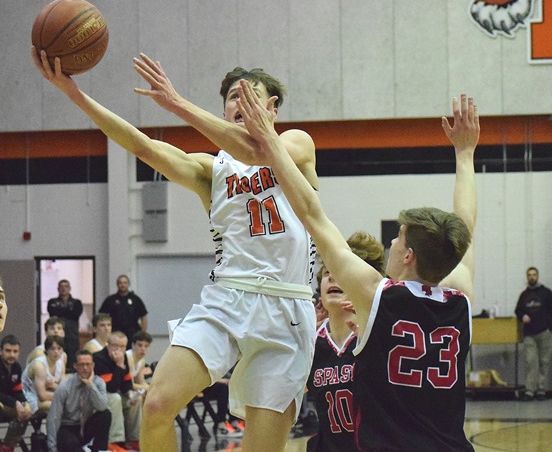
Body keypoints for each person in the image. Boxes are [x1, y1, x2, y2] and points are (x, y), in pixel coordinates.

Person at [32, 49, 319, 452]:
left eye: (249, 95)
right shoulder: (212, 170)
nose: (240, 103)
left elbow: (258, 152)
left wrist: (177, 103)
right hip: (227, 300)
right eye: (233, 98)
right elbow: (143, 146)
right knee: (157, 404)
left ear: (272, 106)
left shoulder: (297, 144)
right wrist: (75, 94)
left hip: (286, 309)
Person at [238, 82, 479, 452]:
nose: (392, 244)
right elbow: (465, 226)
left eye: (398, 239)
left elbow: (313, 216)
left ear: (409, 254)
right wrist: (465, 154)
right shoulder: (459, 296)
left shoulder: (377, 294)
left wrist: (270, 142)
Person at [306, 232, 385, 452]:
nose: (331, 277)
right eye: (327, 272)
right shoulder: (312, 341)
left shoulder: (377, 334)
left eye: (340, 272)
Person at [47, 349, 111, 452]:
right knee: (68, 441)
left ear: (93, 365)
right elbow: (53, 418)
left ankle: (100, 450)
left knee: (105, 415)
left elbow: (102, 406)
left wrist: (90, 385)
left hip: (86, 427)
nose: (85, 368)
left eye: (88, 364)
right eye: (81, 365)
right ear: (75, 366)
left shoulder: (98, 383)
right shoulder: (64, 387)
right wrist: (52, 448)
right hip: (68, 427)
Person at [93, 331, 141, 452]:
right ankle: (114, 441)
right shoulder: (99, 358)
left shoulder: (123, 357)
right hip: (98, 398)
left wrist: (131, 394)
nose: (118, 349)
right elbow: (110, 388)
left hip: (114, 394)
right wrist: (119, 365)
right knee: (115, 398)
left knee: (137, 400)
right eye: (115, 345)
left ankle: (134, 440)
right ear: (108, 344)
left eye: (122, 346)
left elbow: (127, 381)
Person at [514, 266, 552, 401]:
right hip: (529, 333)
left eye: (534, 275)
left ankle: (541, 389)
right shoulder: (524, 295)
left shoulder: (547, 293)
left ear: (537, 276)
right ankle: (530, 390)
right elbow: (518, 310)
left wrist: (549, 327)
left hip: (545, 332)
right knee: (530, 362)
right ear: (527, 277)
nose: (532, 277)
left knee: (545, 362)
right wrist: (522, 316)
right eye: (529, 275)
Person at [0, 335, 33, 452]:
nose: (12, 355)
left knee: (26, 413)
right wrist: (16, 404)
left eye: (15, 351)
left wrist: (25, 403)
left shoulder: (17, 368)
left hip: (8, 404)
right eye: (8, 351)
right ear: (1, 351)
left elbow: (18, 390)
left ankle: (7, 446)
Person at [22, 335, 66, 416]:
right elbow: (42, 396)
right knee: (55, 406)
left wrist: (55, 387)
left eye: (59, 348)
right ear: (46, 350)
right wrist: (61, 394)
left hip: (46, 394)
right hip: (28, 395)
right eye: (52, 349)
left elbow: (63, 388)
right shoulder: (40, 365)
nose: (56, 352)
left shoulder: (61, 363)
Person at [99, 276, 148, 345]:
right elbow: (101, 317)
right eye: (120, 283)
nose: (123, 285)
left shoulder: (135, 299)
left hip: (133, 334)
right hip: (115, 333)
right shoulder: (110, 300)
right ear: (117, 284)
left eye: (125, 283)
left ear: (128, 284)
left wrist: (142, 333)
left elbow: (144, 317)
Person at [47, 280, 83, 368]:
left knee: (72, 363)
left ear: (70, 288)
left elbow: (75, 314)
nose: (63, 288)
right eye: (61, 286)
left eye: (66, 286)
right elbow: (53, 313)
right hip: (56, 338)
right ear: (58, 288)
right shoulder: (52, 302)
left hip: (72, 337)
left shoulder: (77, 303)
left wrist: (61, 310)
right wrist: (68, 310)